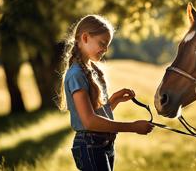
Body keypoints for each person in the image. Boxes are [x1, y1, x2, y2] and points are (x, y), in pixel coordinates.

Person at [58, 14, 154, 171]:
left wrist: (113, 101)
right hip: (90, 145)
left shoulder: (90, 70)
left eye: (107, 44)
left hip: (102, 143)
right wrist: (133, 127)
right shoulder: (76, 74)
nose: (106, 49)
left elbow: (96, 115)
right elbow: (89, 122)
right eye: (102, 43)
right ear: (85, 38)